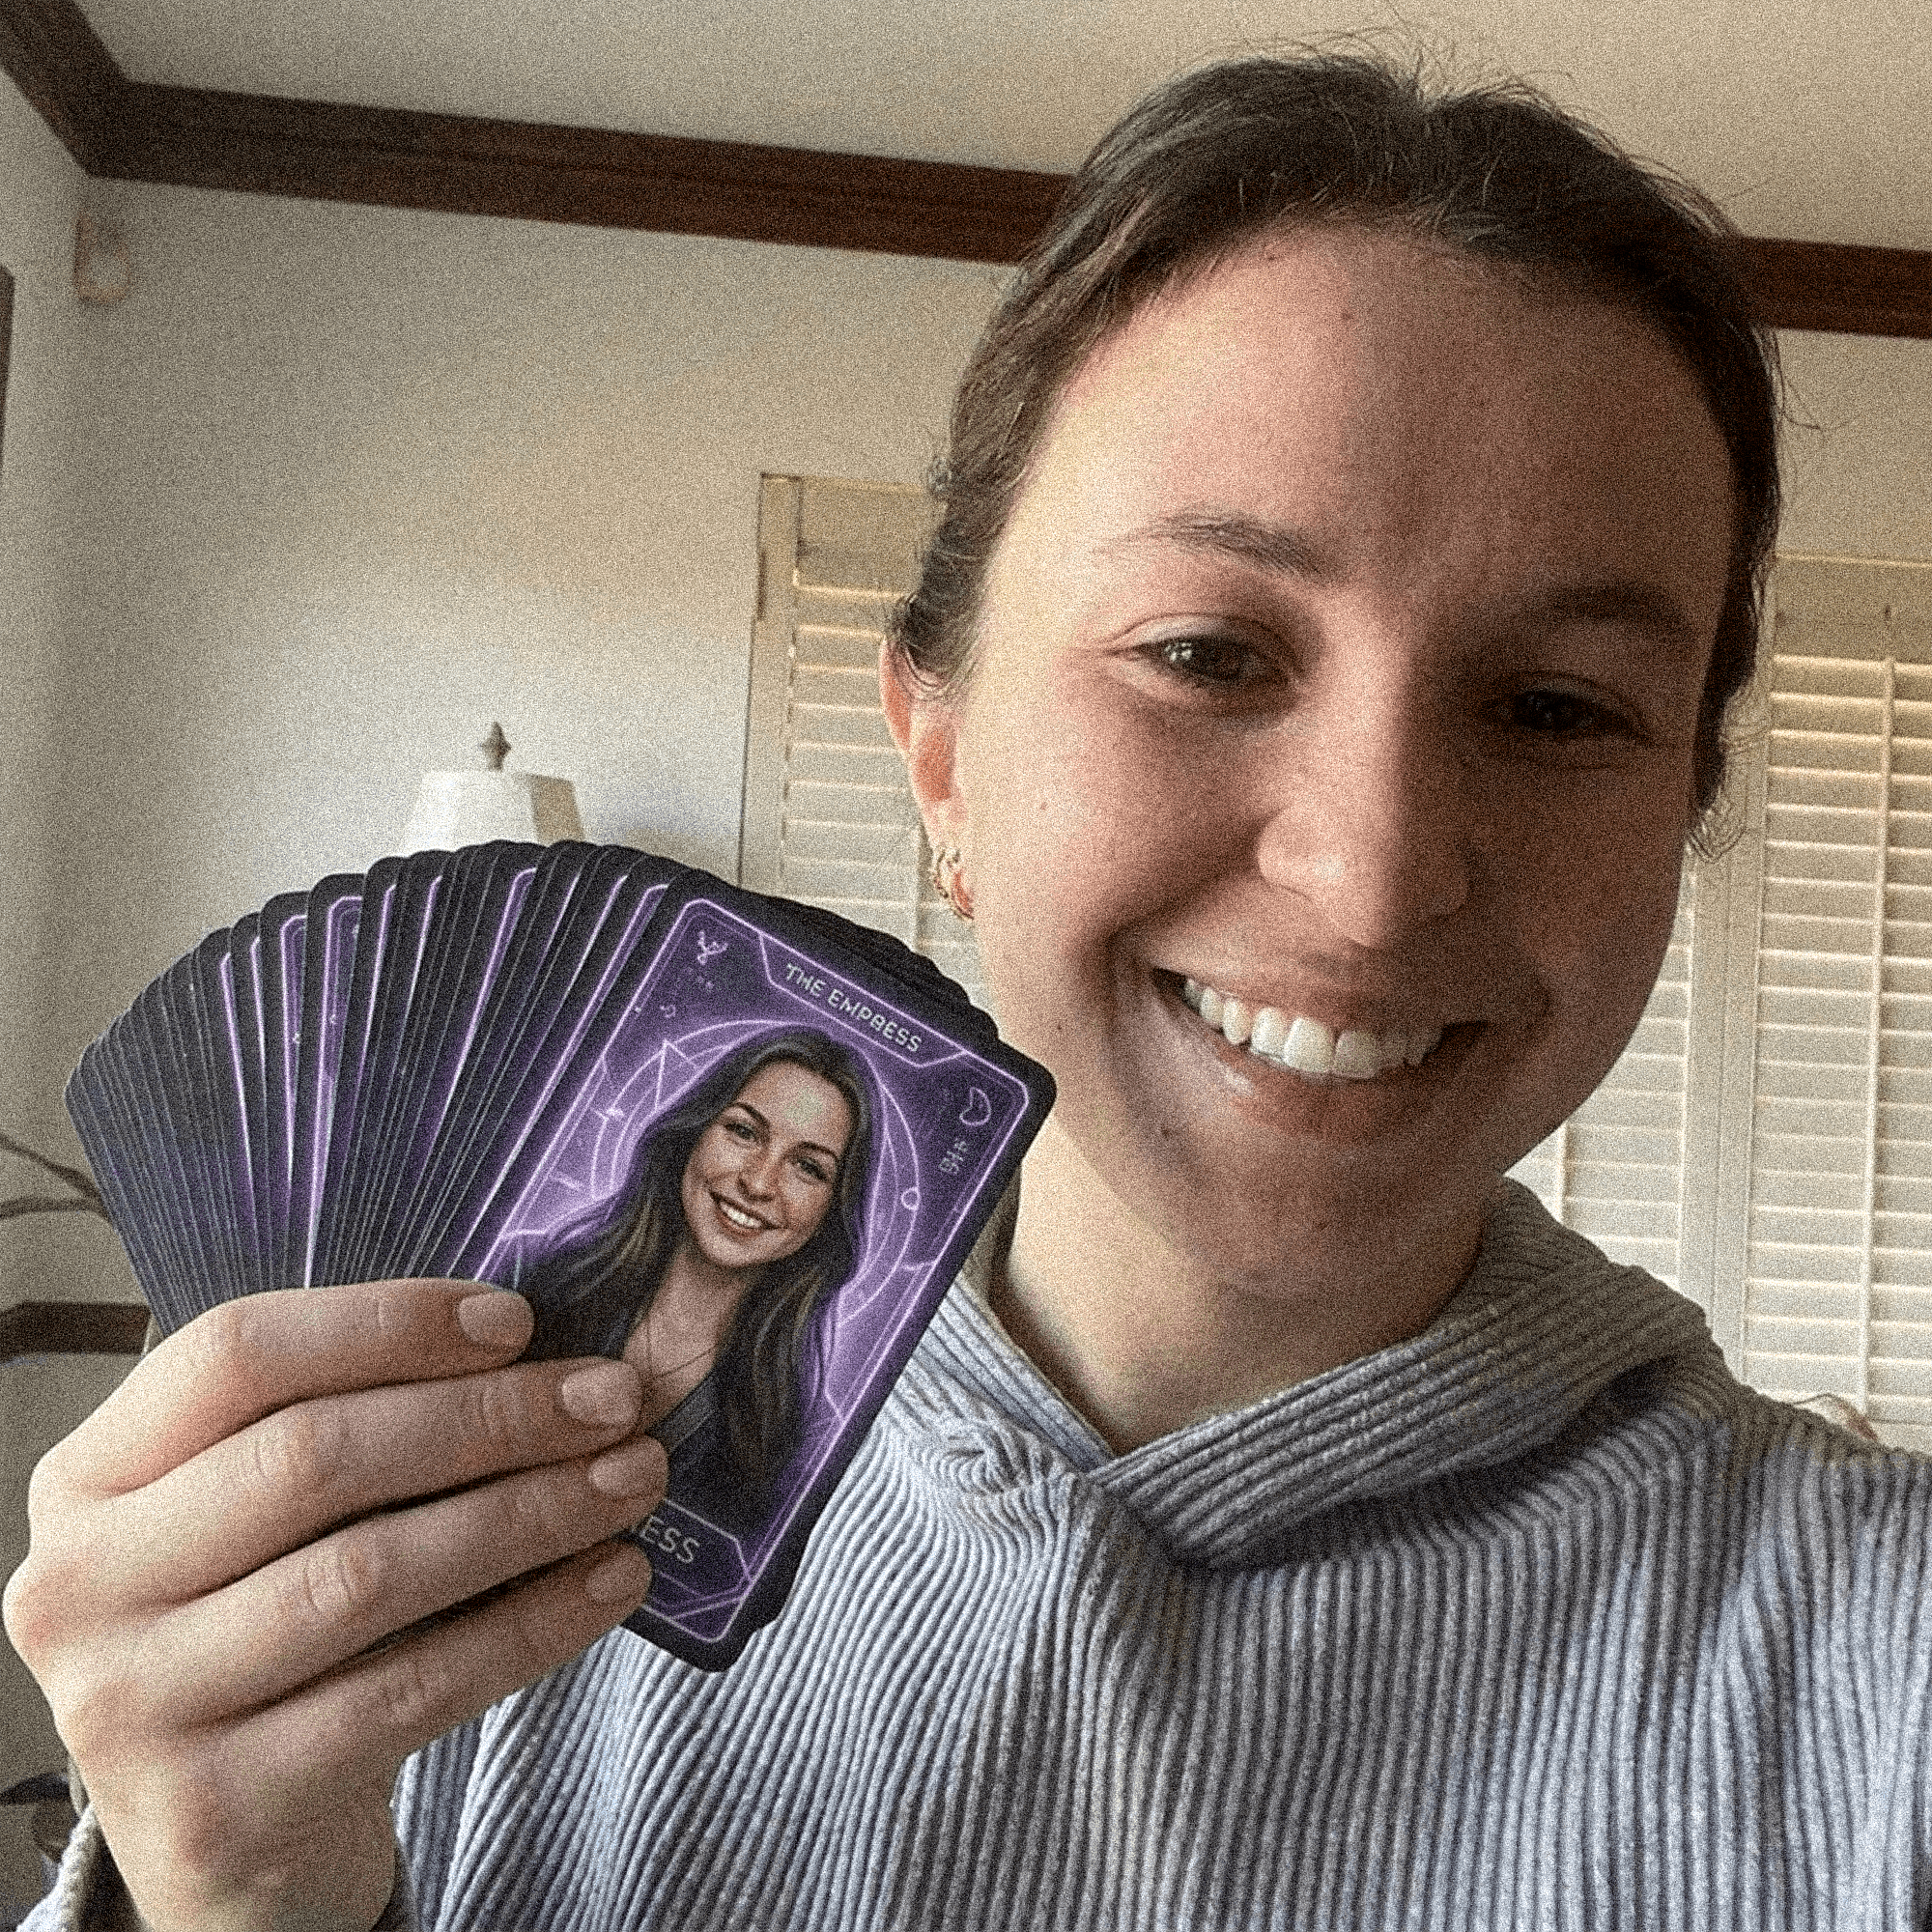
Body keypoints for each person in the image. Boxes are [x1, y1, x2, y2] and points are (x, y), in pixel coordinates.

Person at [10, 49, 1931, 1932]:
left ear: (1685, 801)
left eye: (1554, 707)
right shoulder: (446, 1522)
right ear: (937, 754)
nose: (1364, 880)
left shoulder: (1884, 1666)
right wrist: (230, 1897)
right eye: (1203, 650)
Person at [519, 1027, 873, 1519]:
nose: (758, 1182)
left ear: (830, 1213)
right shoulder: (531, 1278)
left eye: (808, 1168)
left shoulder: (789, 1434)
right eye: (744, 1132)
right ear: (693, 1134)